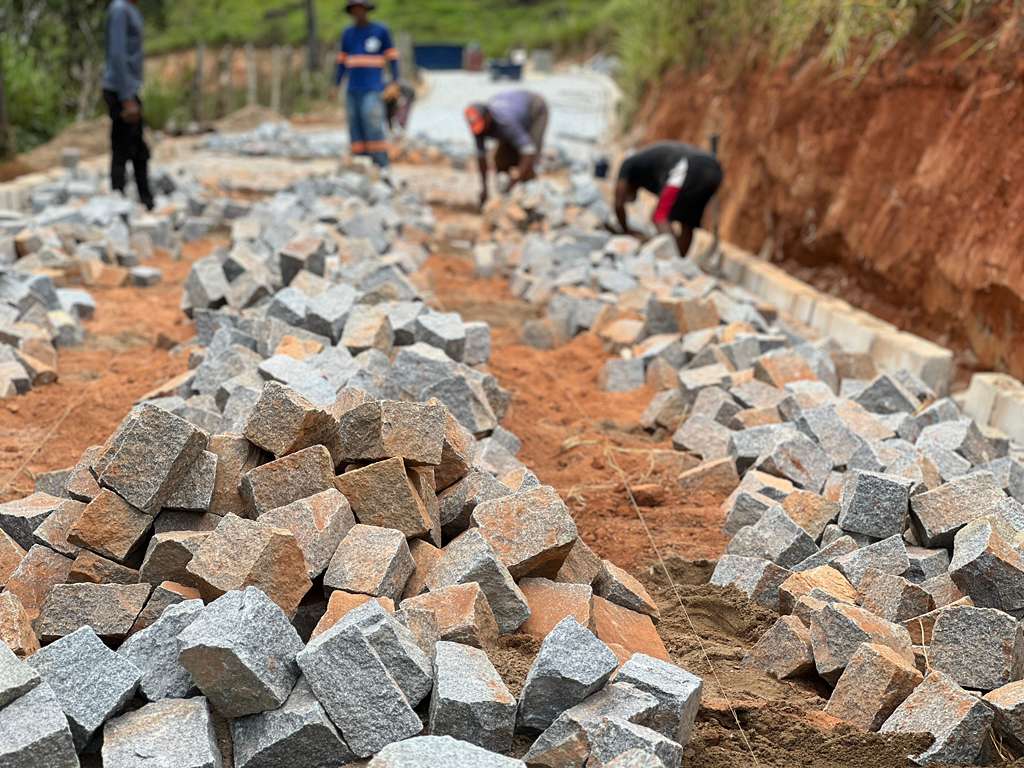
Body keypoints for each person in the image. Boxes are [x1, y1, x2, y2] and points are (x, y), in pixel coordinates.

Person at [614, 141, 723, 258]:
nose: (628, 199)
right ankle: (679, 261)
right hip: (715, 170)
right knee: (687, 223)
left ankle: (671, 258)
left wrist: (625, 230)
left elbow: (618, 203)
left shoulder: (628, 164)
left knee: (659, 216)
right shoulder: (647, 167)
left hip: (688, 166)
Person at [334, 0, 400, 169]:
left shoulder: (380, 31)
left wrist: (394, 82)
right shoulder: (348, 33)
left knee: (372, 122)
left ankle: (381, 163)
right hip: (353, 88)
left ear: (366, 10)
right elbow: (342, 61)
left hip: (373, 87)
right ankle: (360, 162)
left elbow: (392, 58)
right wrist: (336, 84)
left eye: (361, 9)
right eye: (355, 9)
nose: (358, 13)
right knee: (354, 124)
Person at [101, 0, 154, 211]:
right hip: (121, 90)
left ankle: (140, 200)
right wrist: (126, 97)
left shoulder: (130, 10)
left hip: (128, 89)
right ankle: (124, 201)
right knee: (125, 149)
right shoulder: (120, 9)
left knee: (134, 148)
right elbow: (117, 54)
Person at [464, 90, 548, 210]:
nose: (481, 131)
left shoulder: (506, 123)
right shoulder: (478, 126)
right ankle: (506, 194)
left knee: (530, 161)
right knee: (502, 160)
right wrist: (484, 189)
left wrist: (517, 176)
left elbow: (529, 151)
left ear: (488, 117)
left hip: (534, 108)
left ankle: (530, 199)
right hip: (514, 111)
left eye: (483, 127)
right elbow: (481, 157)